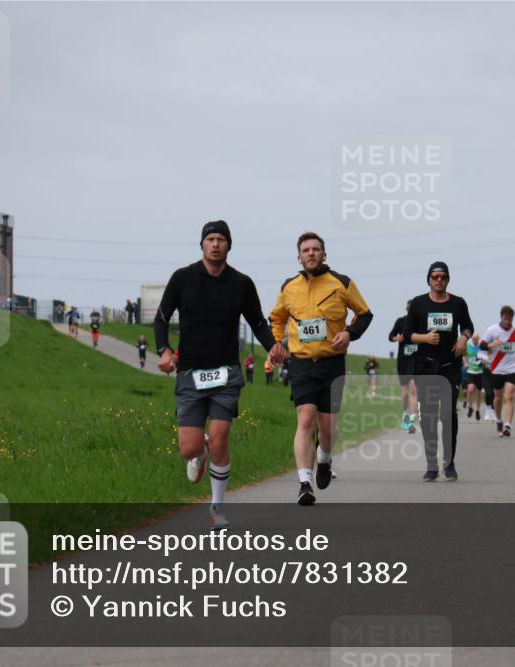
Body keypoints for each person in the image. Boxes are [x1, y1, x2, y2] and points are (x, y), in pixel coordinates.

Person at [155, 220, 283, 531]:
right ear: (201, 245)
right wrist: (164, 350)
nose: (215, 244)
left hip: (226, 373)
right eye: (210, 239)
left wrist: (273, 347)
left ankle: (216, 509)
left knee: (222, 438)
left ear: (229, 245)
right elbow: (161, 317)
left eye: (221, 240)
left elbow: (257, 322)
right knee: (189, 447)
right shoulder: (183, 278)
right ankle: (199, 452)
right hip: (189, 374)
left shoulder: (241, 283)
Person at [268, 231, 373, 505]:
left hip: (332, 363)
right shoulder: (288, 287)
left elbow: (365, 314)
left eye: (316, 249)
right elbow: (277, 318)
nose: (311, 253)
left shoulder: (341, 283)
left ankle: (324, 459)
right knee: (305, 419)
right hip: (301, 363)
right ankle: (304, 482)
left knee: (327, 428)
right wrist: (276, 344)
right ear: (299, 257)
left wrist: (349, 333)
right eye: (306, 250)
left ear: (324, 254)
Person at [404, 261, 473, 481]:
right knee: (429, 415)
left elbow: (468, 326)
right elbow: (407, 334)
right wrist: (425, 338)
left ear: (448, 279)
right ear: (429, 279)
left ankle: (449, 462)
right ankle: (432, 463)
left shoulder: (458, 303)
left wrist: (464, 338)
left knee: (448, 413)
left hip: (449, 366)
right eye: (435, 276)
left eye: (443, 276)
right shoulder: (418, 303)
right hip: (426, 366)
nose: (439, 280)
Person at [480, 305, 515, 438]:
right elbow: (482, 345)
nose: (507, 322)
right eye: (505, 319)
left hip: (512, 367)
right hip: (496, 368)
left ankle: (508, 425)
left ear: (512, 318)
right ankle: (499, 420)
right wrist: (491, 345)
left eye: (510, 319)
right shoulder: (492, 330)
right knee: (498, 397)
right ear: (501, 317)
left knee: (510, 396)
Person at [388, 301, 419, 434]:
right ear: (407, 309)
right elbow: (390, 336)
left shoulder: (421, 324)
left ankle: (412, 421)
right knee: (405, 393)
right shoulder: (400, 321)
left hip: (416, 360)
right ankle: (405, 415)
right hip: (403, 360)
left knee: (413, 389)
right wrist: (397, 338)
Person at [464, 333, 484, 421]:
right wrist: (465, 363)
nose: (475, 340)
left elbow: (486, 356)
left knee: (479, 392)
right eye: (473, 339)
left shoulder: (481, 346)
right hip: (470, 371)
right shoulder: (468, 346)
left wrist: (484, 361)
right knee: (471, 389)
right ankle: (470, 407)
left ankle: (477, 410)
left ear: (478, 339)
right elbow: (464, 355)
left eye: (476, 339)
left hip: (479, 371)